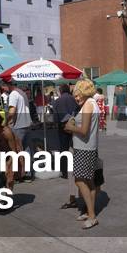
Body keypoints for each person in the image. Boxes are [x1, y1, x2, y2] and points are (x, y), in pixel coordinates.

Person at [64, 79, 101, 229]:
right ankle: (88, 211)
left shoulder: (88, 105)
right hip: (89, 147)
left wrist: (70, 126)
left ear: (84, 92)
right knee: (89, 182)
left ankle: (92, 216)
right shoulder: (92, 103)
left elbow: (84, 130)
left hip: (83, 149)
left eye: (78, 95)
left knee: (79, 181)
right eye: (75, 96)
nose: (76, 98)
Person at [52, 84, 78, 207]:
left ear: (61, 91)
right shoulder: (74, 99)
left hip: (62, 127)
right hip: (73, 125)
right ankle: (73, 168)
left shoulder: (57, 101)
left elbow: (55, 116)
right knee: (72, 147)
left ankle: (64, 170)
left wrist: (56, 124)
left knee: (63, 149)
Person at [4, 81, 32, 181]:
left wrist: (5, 122)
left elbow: (12, 112)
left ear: (7, 85)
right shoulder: (22, 92)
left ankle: (19, 173)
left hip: (18, 125)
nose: (3, 89)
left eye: (3, 86)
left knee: (17, 149)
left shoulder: (13, 94)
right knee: (27, 149)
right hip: (27, 123)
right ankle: (28, 173)